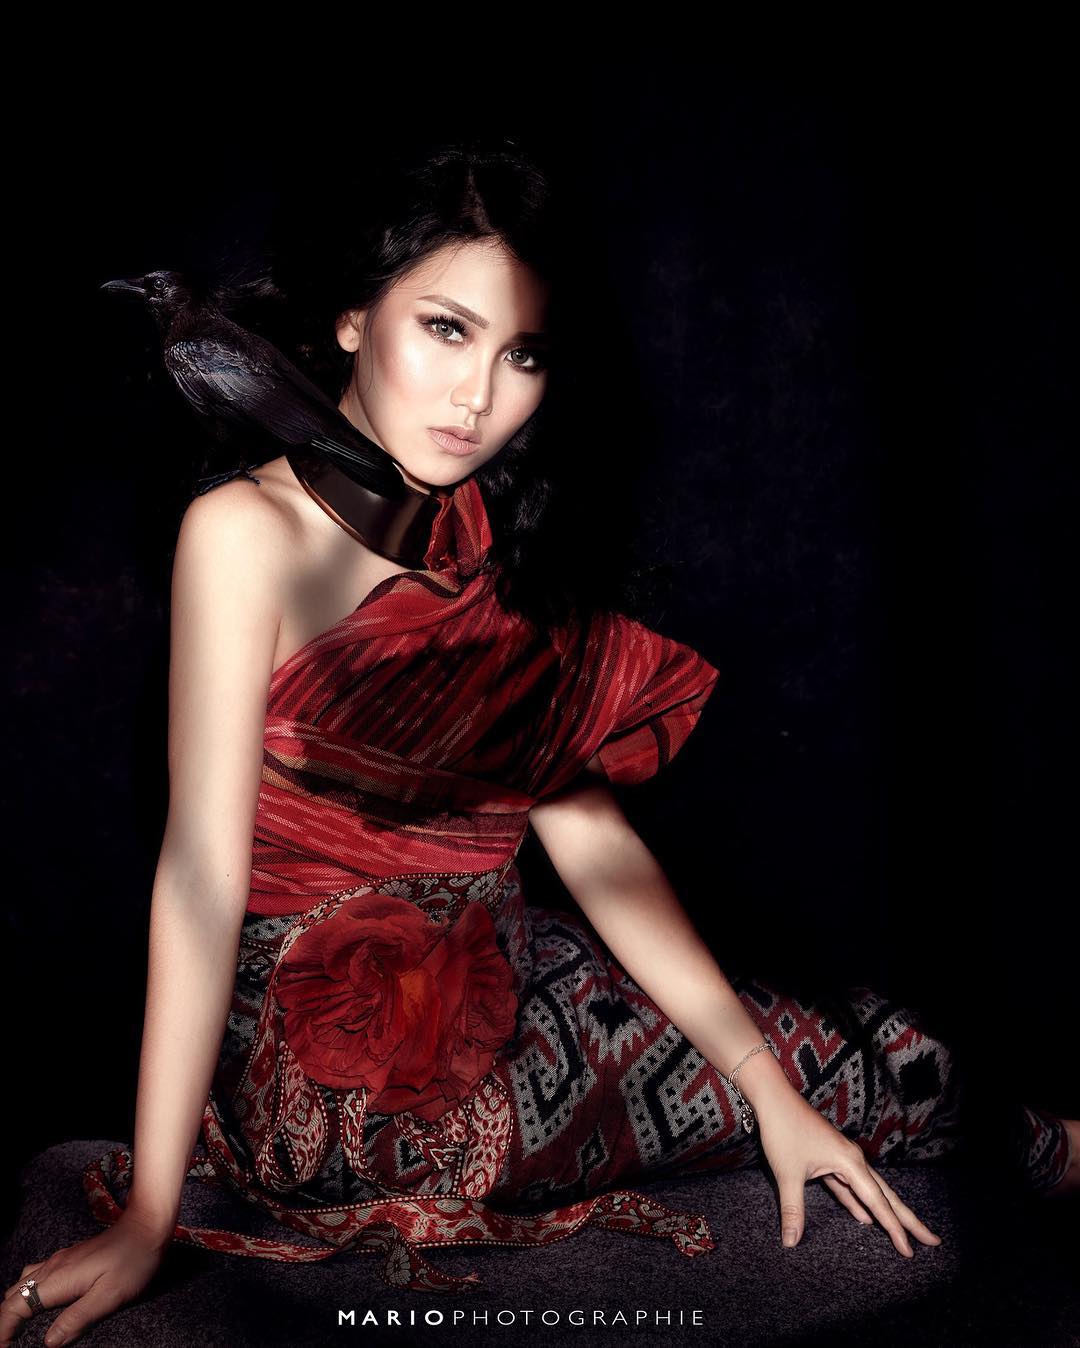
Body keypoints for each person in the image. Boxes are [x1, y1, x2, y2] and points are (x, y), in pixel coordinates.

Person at [4, 137, 1075, 1344]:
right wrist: (152, 1214)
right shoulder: (247, 532)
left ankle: (1038, 1146)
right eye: (445, 330)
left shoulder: (471, 526)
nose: (478, 398)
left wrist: (765, 1083)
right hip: (355, 1078)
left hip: (501, 966)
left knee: (848, 1039)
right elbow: (201, 871)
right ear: (353, 318)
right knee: (894, 1068)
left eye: (521, 354)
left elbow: (589, 836)